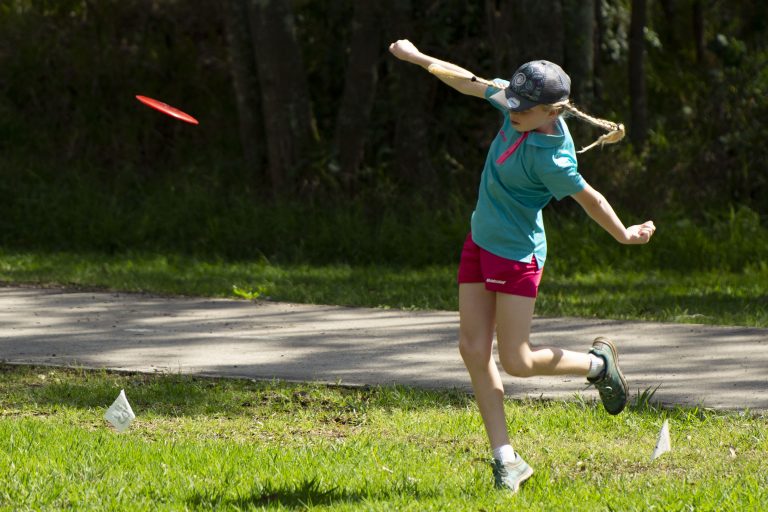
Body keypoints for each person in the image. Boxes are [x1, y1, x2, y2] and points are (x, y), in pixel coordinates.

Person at [389, 39, 656, 494]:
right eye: (512, 101)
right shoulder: (517, 105)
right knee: (473, 349)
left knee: (518, 360)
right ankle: (506, 460)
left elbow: (591, 199)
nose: (512, 110)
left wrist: (624, 234)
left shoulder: (553, 159)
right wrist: (418, 58)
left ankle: (597, 365)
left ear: (553, 111)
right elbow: (467, 81)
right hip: (480, 241)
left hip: (516, 256)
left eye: (523, 108)